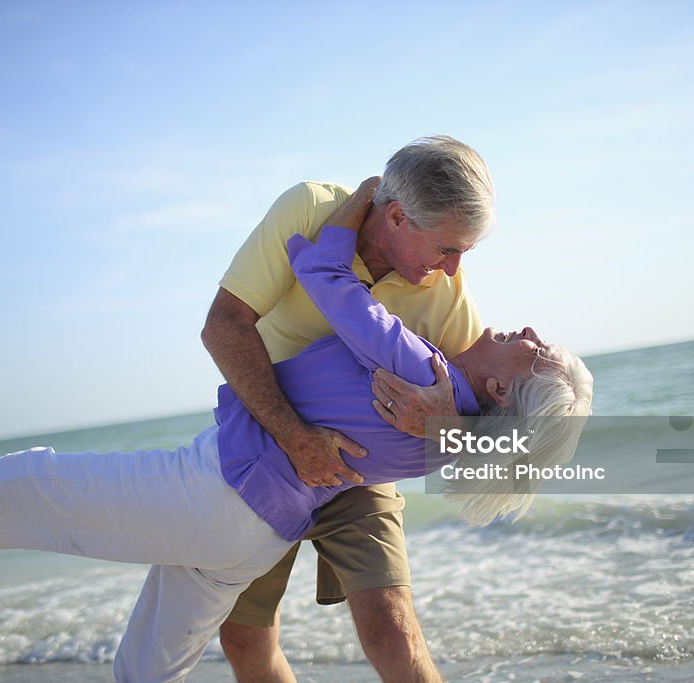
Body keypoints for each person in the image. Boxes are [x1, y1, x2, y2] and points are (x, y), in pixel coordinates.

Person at [0, 213, 595, 683]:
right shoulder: (445, 432)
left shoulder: (420, 369)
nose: (525, 331)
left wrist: (360, 202)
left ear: (502, 393)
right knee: (151, 659)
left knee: (36, 483)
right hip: (250, 527)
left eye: (535, 351)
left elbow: (322, 271)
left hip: (218, 492)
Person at [203, 135, 492, 681]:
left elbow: (501, 418)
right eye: (447, 249)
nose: (453, 269)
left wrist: (449, 425)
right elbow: (223, 326)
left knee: (394, 631)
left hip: (357, 470)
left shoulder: (445, 292)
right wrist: (295, 438)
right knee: (244, 638)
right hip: (267, 452)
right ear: (400, 217)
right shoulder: (310, 210)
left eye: (463, 253)